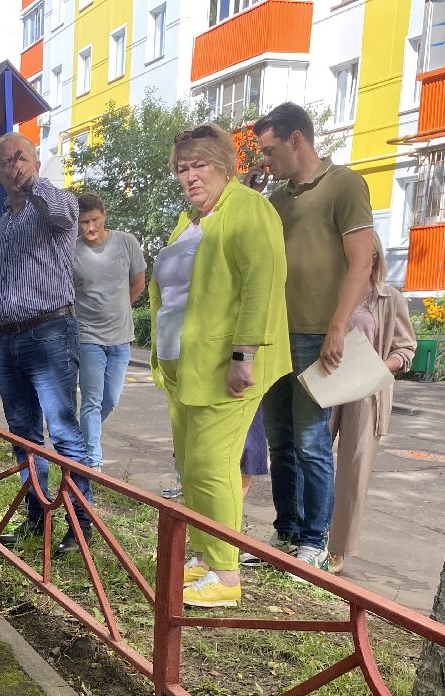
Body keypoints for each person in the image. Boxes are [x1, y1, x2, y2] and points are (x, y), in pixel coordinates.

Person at [149, 123, 289, 608]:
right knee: (191, 466)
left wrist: (244, 355)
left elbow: (261, 284)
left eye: (200, 165)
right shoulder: (191, 220)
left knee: (213, 465)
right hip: (184, 365)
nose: (190, 176)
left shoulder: (248, 208)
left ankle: (226, 576)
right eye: (182, 168)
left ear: (225, 166)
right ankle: (207, 556)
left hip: (225, 366)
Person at [253, 102, 375, 571]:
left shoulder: (344, 184)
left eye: (270, 150)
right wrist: (250, 194)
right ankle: (286, 532)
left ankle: (314, 541)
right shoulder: (277, 200)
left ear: (296, 139)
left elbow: (361, 262)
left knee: (310, 441)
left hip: (316, 335)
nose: (266, 161)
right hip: (276, 337)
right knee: (279, 440)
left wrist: (337, 328)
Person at [0, 134, 93, 555]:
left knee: (64, 433)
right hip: (8, 343)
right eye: (7, 161)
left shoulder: (59, 207)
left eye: (22, 158)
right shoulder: (1, 228)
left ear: (37, 164)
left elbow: (59, 212)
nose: (15, 166)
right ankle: (37, 517)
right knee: (23, 436)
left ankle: (80, 526)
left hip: (50, 332)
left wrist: (34, 185)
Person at [325, 231, 416, 575]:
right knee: (310, 456)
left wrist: (378, 367)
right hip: (329, 383)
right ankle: (307, 535)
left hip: (366, 391)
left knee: (354, 470)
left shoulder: (390, 298)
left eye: (365, 254)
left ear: (375, 257)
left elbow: (406, 350)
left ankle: (337, 549)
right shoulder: (332, 292)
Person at [73, 191, 146, 470]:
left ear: (104, 216)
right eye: (84, 222)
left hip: (121, 337)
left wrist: (120, 307)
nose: (90, 227)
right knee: (91, 400)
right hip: (88, 336)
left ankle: (78, 439)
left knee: (110, 400)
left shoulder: (126, 242)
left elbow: (138, 282)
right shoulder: (72, 250)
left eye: (94, 220)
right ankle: (92, 463)